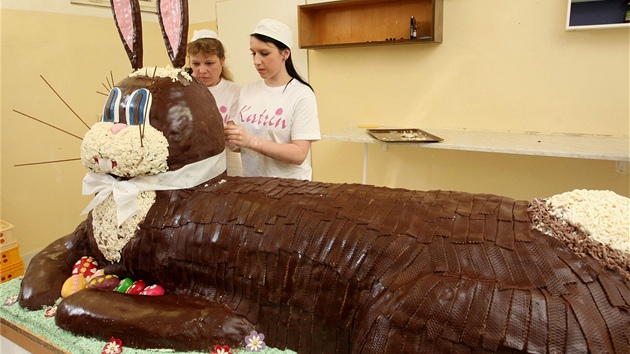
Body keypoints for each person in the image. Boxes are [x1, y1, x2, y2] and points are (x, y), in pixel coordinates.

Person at [224, 19, 320, 181]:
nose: (256, 61)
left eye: (264, 53)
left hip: (290, 190)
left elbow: (299, 154)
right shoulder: (247, 91)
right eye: (253, 53)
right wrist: (232, 140)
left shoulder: (301, 94)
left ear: (285, 53)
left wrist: (251, 141)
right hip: (253, 186)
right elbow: (240, 147)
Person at [187, 29, 242, 176]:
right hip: (192, 167)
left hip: (227, 165)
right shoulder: (184, 91)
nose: (202, 70)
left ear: (222, 60)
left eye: (209, 63)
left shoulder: (235, 92)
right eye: (196, 64)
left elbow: (233, 140)